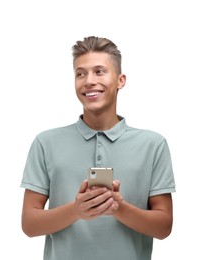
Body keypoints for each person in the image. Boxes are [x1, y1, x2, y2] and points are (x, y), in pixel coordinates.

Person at [20, 36, 176, 260]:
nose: (89, 81)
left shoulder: (153, 144)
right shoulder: (46, 142)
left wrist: (119, 208)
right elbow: (29, 224)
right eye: (80, 73)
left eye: (99, 71)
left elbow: (164, 228)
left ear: (120, 80)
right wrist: (77, 210)